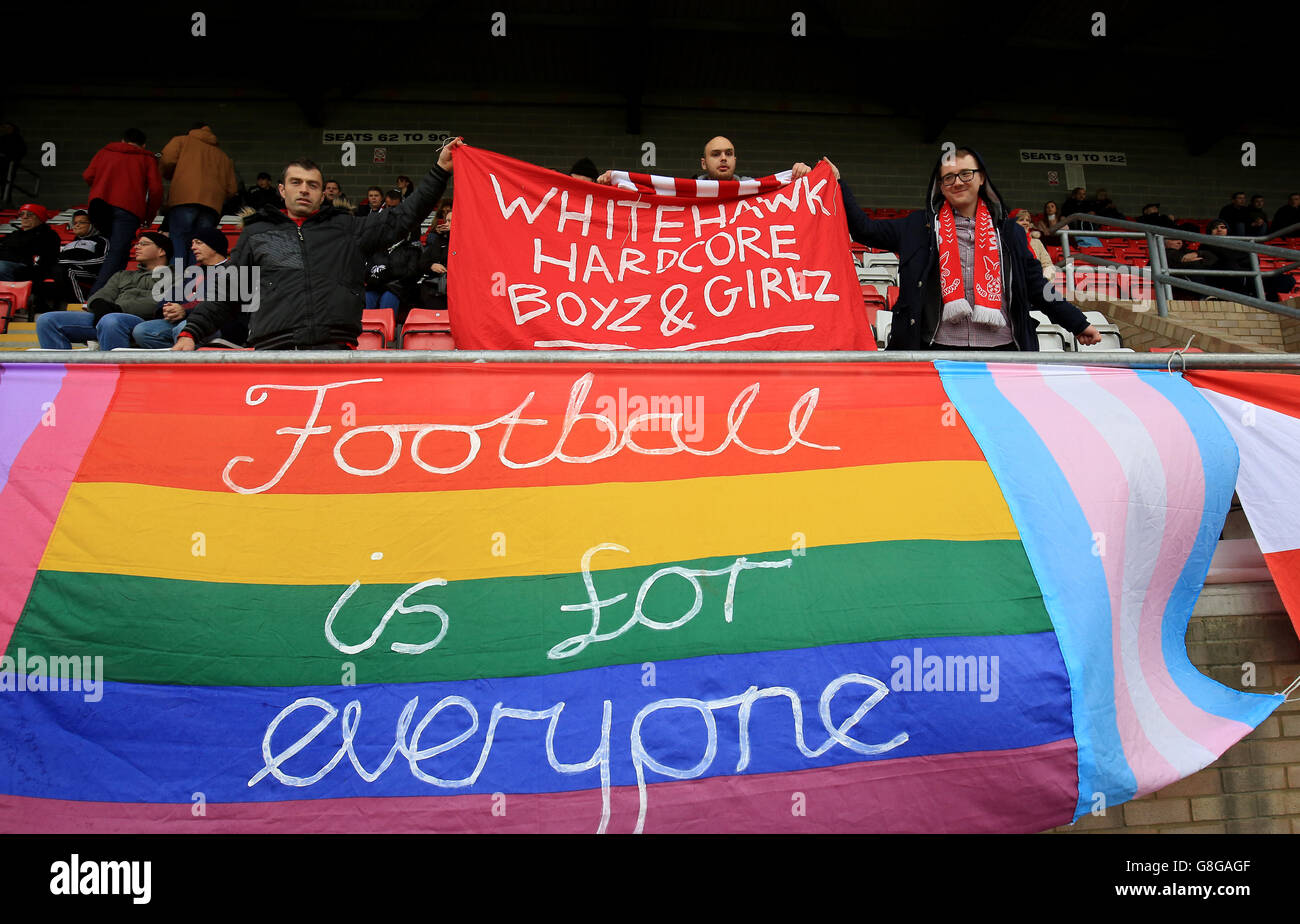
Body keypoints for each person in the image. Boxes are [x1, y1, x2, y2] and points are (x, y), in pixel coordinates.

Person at [172, 138, 463, 351]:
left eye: (312, 185)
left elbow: (404, 217)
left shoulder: (348, 228)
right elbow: (230, 291)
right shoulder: (257, 232)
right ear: (282, 190)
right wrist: (191, 333)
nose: (304, 189)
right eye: (296, 183)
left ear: (323, 194)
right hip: (273, 352)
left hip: (334, 352)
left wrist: (440, 171)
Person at [822, 147, 1100, 350]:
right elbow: (864, 230)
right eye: (948, 177)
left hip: (1003, 352)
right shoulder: (918, 226)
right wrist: (836, 181)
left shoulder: (1009, 232)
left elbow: (1038, 287)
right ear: (940, 187)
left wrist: (1077, 322)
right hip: (936, 349)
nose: (957, 182)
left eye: (966, 174)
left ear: (981, 179)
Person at [36, 232, 172, 349]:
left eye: (144, 244)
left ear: (161, 251)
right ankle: (59, 373)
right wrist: (100, 306)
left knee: (111, 320)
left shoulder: (176, 275)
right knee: (47, 320)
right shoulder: (122, 275)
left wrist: (114, 309)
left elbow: (159, 302)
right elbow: (99, 297)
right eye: (137, 244)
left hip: (144, 323)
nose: (137, 247)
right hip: (106, 317)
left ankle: (112, 374)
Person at [132, 227, 246, 348]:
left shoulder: (232, 270)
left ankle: (187, 361)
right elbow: (172, 294)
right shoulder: (192, 271)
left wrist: (184, 311)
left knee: (183, 329)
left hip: (216, 324)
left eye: (198, 243)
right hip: (183, 321)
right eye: (192, 243)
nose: (193, 247)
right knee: (142, 331)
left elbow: (219, 305)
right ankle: (178, 357)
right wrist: (167, 309)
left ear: (214, 246)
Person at [82, 127, 164, 294]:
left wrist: (103, 187)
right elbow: (156, 190)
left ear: (122, 140)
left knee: (108, 248)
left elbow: (88, 175)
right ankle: (97, 295)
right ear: (144, 145)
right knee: (117, 251)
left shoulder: (105, 151)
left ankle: (108, 291)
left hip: (99, 206)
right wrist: (149, 214)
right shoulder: (146, 158)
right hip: (128, 209)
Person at [160, 122, 239, 269]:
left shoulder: (181, 141)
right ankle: (194, 284)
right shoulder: (223, 156)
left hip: (184, 199)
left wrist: (173, 175)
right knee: (201, 247)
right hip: (211, 206)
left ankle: (177, 281)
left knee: (179, 241)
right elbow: (232, 189)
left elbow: (167, 160)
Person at [55, 210, 109, 305]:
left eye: (82, 222)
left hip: (90, 274)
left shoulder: (102, 241)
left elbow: (103, 260)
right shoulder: (69, 244)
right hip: (65, 269)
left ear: (92, 224)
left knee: (68, 271)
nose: (77, 225)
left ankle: (81, 305)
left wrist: (70, 263)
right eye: (75, 223)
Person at [0, 203, 61, 286]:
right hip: (8, 264)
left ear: (40, 217)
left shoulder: (49, 235)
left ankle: (13, 293)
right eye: (22, 214)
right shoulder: (15, 234)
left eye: (30, 214)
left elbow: (45, 259)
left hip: (29, 268)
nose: (24, 217)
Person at [1012, 209, 1056, 281]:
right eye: (1021, 220)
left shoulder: (1037, 242)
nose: (1025, 223)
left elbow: (1048, 265)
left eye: (1028, 220)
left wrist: (1044, 282)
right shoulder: (1007, 242)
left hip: (1037, 284)